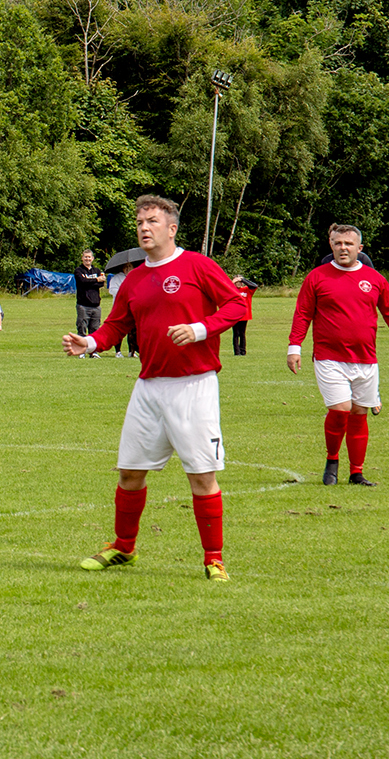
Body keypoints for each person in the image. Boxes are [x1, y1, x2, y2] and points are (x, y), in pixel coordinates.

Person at [62, 195, 246, 582]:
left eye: (152, 221)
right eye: (140, 222)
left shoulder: (197, 265)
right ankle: (124, 547)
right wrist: (91, 343)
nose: (144, 228)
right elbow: (116, 326)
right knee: (129, 472)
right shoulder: (134, 280)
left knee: (201, 476)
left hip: (194, 386)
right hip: (149, 387)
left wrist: (199, 330)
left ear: (172, 228)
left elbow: (237, 306)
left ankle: (214, 558)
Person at [287, 224, 389, 487]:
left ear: (359, 248)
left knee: (359, 412)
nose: (343, 248)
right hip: (329, 357)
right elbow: (303, 313)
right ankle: (332, 461)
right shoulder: (317, 277)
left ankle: (357, 473)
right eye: (338, 243)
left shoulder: (375, 279)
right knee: (340, 410)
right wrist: (294, 347)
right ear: (331, 245)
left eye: (348, 244)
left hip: (366, 359)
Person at [73, 249, 106, 357]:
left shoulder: (96, 270)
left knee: (95, 330)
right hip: (83, 305)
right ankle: (81, 352)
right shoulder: (79, 271)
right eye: (85, 257)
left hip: (96, 305)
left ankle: (93, 352)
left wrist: (94, 281)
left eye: (89, 257)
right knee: (82, 328)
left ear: (92, 258)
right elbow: (82, 282)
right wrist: (96, 280)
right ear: (82, 258)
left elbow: (101, 284)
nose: (87, 259)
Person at [230, 276, 253, 357]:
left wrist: (243, 279)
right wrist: (232, 282)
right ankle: (237, 352)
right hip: (234, 315)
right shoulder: (232, 290)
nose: (239, 284)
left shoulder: (246, 290)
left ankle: (243, 351)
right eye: (237, 282)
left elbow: (254, 286)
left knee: (242, 334)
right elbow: (225, 287)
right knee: (236, 333)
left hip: (244, 315)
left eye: (240, 282)